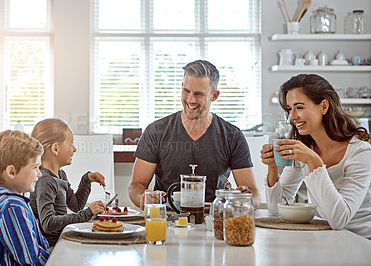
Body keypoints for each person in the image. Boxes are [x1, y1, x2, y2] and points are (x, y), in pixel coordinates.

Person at [129, 59, 260, 210]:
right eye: (186, 91)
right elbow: (136, 186)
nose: (190, 100)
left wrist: (245, 200)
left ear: (214, 96)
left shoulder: (232, 136)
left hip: (213, 219)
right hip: (167, 219)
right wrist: (143, 197)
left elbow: (253, 193)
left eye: (198, 94)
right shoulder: (155, 131)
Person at [261, 74, 371, 239]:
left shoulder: (360, 152)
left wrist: (313, 161)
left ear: (324, 106)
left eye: (299, 107)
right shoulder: (305, 147)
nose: (292, 117)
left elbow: (339, 219)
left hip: (361, 242)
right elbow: (276, 209)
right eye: (289, 109)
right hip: (328, 238)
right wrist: (272, 168)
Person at [29, 118, 106, 246]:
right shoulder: (45, 181)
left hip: (61, 241)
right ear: (55, 148)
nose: (74, 149)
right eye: (71, 143)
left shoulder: (60, 175)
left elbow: (76, 206)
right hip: (52, 248)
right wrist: (88, 213)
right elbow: (48, 223)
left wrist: (85, 181)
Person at [0, 130, 51, 265]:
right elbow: (32, 261)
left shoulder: (12, 203)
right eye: (35, 167)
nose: (39, 174)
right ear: (11, 172)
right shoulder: (12, 208)